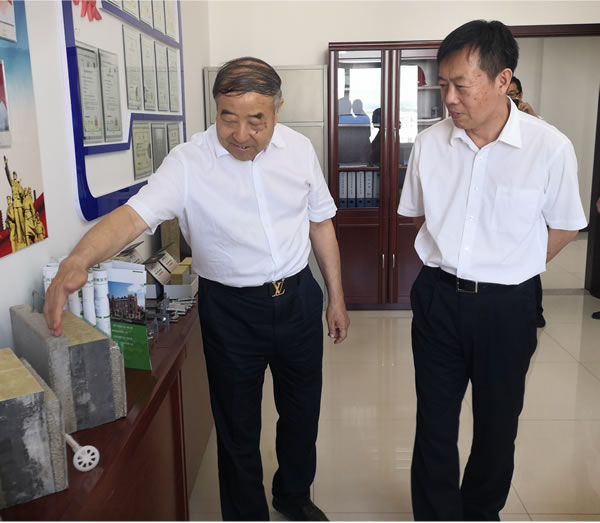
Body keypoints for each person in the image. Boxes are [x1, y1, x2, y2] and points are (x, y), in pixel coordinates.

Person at [43, 56, 350, 522]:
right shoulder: (188, 162)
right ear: (215, 109)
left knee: (302, 411)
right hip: (232, 310)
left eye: (256, 120)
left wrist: (336, 299)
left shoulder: (299, 150)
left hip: (298, 299)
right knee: (237, 426)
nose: (241, 134)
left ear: (278, 109)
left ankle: (293, 495)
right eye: (228, 118)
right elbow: (133, 216)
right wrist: (78, 259)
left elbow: (321, 224)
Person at [398, 20, 586, 521]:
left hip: (508, 305)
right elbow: (418, 215)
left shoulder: (549, 147)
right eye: (443, 84)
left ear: (503, 80)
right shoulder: (430, 144)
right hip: (438, 298)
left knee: (497, 423)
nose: (449, 98)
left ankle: (481, 512)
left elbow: (566, 225)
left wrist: (513, 264)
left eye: (461, 85)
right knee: (434, 421)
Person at [507, 76, 545, 327]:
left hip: (527, 206)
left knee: (529, 267)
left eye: (514, 94)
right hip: (504, 202)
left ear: (521, 95)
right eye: (506, 94)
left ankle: (535, 312)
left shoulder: (537, 125)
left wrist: (532, 117)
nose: (510, 99)